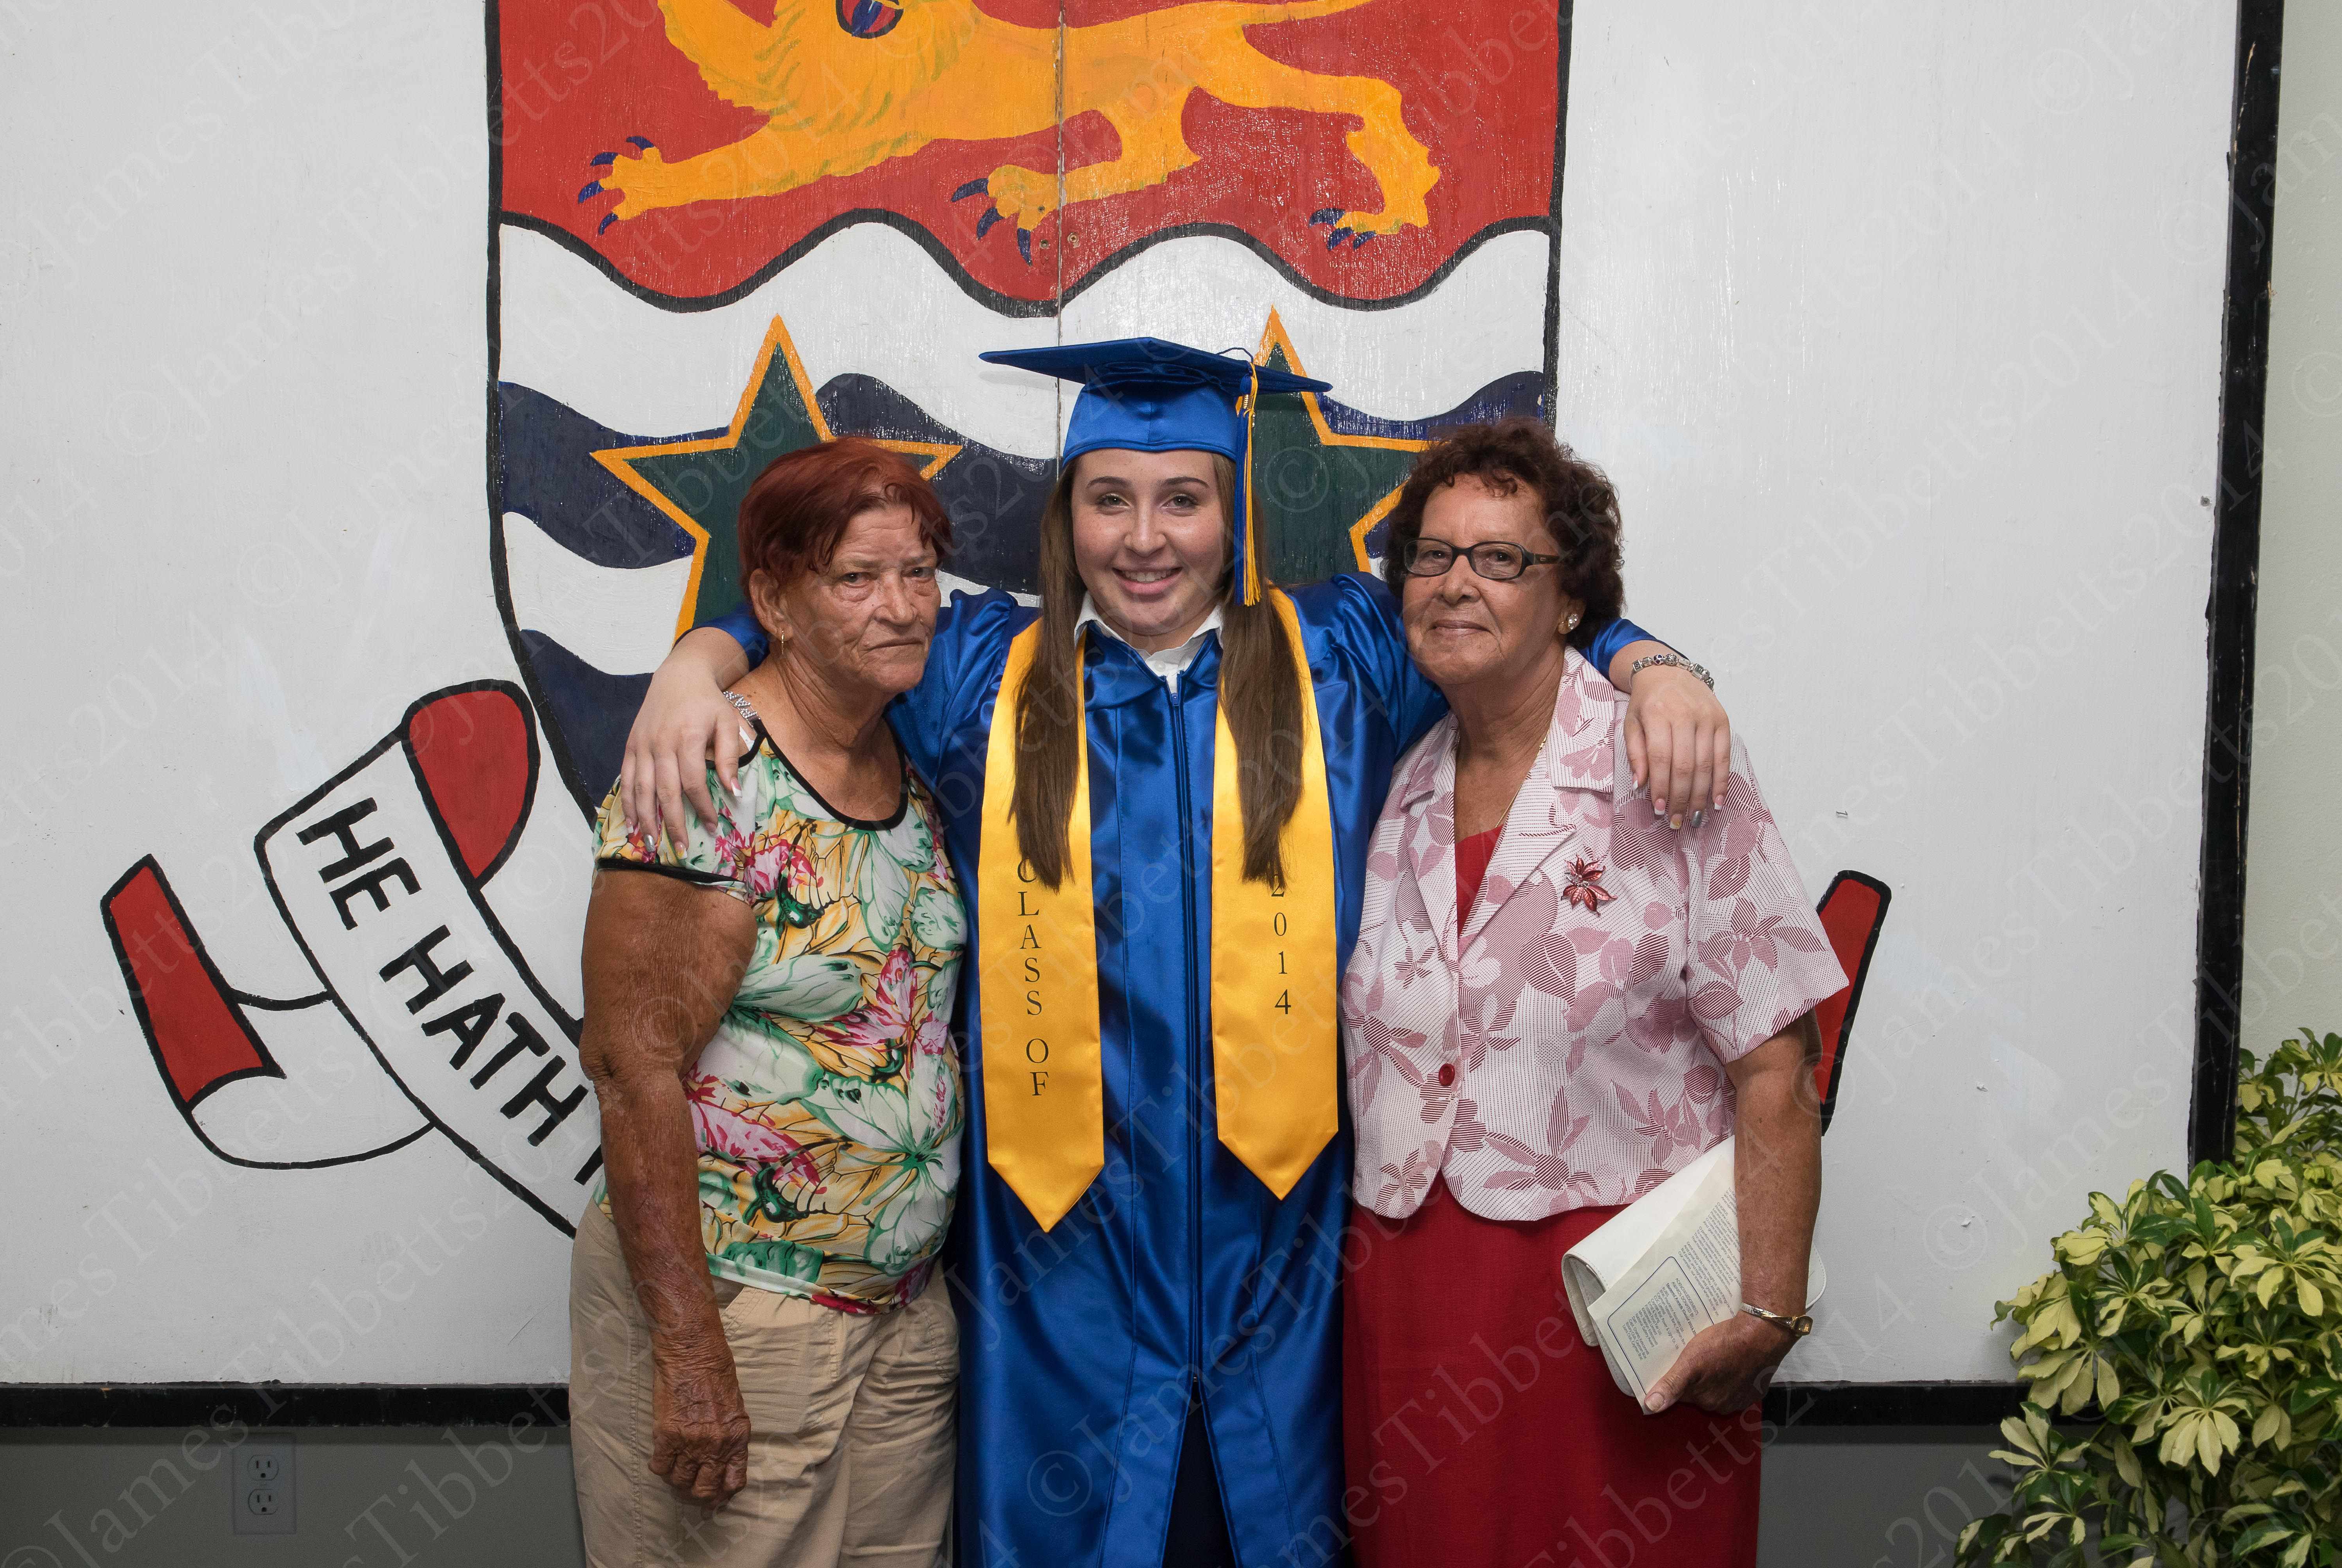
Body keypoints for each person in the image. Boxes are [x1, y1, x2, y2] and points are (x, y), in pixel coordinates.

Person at [618, 340, 1736, 1568]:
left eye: (1183, 500)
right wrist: (696, 663)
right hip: (1057, 1274)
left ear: (1232, 515)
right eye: (1110, 499)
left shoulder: (1343, 658)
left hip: (1289, 1269)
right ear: (1068, 517)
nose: (1145, 539)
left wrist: (1652, 669)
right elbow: (829, 612)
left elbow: (1508, 608)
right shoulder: (980, 676)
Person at [1338, 419, 1846, 1566]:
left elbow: (1779, 1066)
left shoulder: (1668, 764)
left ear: (1572, 601)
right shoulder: (1399, 781)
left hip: (1609, 1304)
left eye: (1501, 558)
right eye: (1432, 555)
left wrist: (1770, 1311)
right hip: (1411, 1298)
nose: (1456, 582)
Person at [571, 438, 968, 1568]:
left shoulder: (910, 756)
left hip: (901, 1320)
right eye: (857, 579)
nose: (901, 607)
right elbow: (632, 1067)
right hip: (741, 1311)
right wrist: (692, 1354)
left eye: (919, 573)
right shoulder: (705, 773)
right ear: (776, 604)